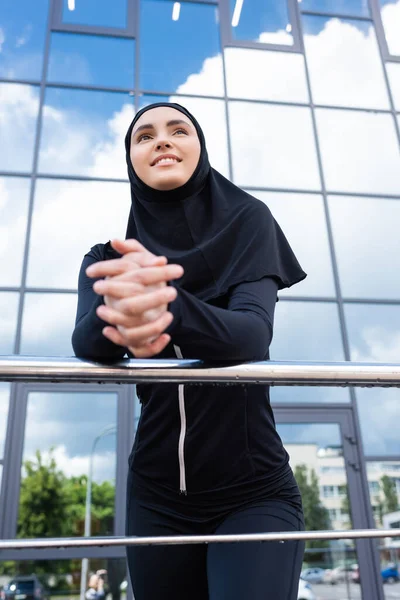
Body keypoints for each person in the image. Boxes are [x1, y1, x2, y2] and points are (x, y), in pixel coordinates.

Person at [72, 102, 308, 600]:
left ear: (199, 150)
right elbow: (87, 342)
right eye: (144, 136)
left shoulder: (250, 221)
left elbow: (250, 335)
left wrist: (164, 304)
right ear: (131, 160)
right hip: (155, 496)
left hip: (253, 491)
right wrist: (118, 311)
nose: (161, 140)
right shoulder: (109, 262)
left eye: (178, 130)